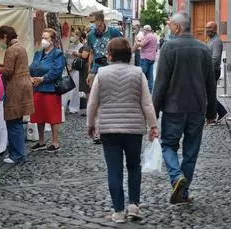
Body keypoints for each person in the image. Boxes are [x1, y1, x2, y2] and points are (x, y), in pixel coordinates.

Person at [87, 38, 158, 223]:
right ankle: (134, 205)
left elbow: (93, 102)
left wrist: (90, 124)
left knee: (114, 170)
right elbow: (147, 102)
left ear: (110, 54)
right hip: (134, 129)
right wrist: (153, 125)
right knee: (134, 167)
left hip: (109, 129)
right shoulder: (138, 73)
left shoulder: (101, 74)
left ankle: (118, 211)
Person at [152, 12, 217, 204]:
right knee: (191, 151)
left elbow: (161, 83)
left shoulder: (169, 48)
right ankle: (184, 192)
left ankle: (176, 175)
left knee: (168, 145)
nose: (170, 28)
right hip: (197, 107)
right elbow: (211, 84)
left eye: (171, 25)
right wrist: (211, 112)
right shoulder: (203, 49)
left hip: (173, 108)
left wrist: (153, 113)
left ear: (178, 27)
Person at [0, 26, 34, 164]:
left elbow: (8, 71)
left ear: (5, 36)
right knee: (17, 121)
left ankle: (16, 155)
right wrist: (0, 65)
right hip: (23, 86)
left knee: (13, 122)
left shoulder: (11, 50)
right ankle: (19, 152)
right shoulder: (21, 47)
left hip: (15, 88)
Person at [86, 10, 122, 144]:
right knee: (95, 101)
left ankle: (109, 128)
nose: (92, 25)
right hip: (96, 70)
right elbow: (91, 53)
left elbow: (122, 49)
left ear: (101, 21)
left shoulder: (113, 32)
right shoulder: (90, 35)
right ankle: (97, 132)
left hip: (111, 69)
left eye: (93, 22)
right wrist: (89, 71)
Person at [29, 28, 64, 152]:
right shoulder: (38, 53)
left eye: (46, 38)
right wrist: (31, 77)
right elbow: (32, 67)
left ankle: (55, 142)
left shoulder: (57, 53)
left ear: (53, 40)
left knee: (53, 116)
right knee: (39, 116)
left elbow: (57, 70)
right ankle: (41, 141)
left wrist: (43, 78)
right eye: (42, 37)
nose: (43, 40)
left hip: (51, 89)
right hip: (37, 88)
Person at [206, 21, 230, 122]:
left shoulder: (217, 41)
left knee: (208, 94)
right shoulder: (211, 40)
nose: (207, 30)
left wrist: (205, 68)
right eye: (206, 28)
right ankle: (219, 113)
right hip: (209, 71)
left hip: (213, 72)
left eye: (210, 28)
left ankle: (219, 113)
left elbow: (215, 59)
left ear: (215, 29)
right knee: (208, 94)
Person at [63, 30, 83, 114]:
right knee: (65, 87)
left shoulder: (81, 46)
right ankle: (63, 107)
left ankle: (74, 107)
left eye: (73, 36)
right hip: (68, 68)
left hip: (76, 69)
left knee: (75, 89)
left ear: (78, 36)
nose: (72, 38)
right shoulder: (69, 45)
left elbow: (82, 58)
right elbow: (66, 56)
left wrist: (76, 54)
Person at [135, 25, 158, 93]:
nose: (143, 32)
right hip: (152, 58)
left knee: (142, 74)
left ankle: (139, 90)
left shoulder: (148, 36)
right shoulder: (154, 36)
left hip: (145, 57)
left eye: (143, 30)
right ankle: (150, 90)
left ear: (146, 30)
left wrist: (136, 41)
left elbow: (141, 44)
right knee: (150, 75)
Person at [72, 46, 91, 116]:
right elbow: (76, 66)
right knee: (87, 93)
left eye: (87, 52)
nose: (85, 53)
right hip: (83, 77)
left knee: (89, 94)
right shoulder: (81, 59)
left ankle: (90, 111)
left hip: (88, 77)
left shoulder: (90, 60)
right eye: (84, 51)